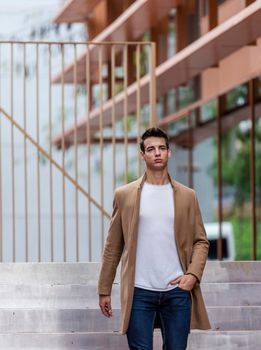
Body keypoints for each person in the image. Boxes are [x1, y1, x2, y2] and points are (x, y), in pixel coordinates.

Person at [98, 127, 211, 350]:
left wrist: (192, 275)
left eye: (161, 148)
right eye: (151, 149)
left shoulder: (188, 196)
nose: (157, 153)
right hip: (139, 291)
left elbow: (201, 241)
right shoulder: (125, 195)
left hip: (177, 291)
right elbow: (113, 246)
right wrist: (104, 289)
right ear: (143, 155)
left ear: (169, 152)